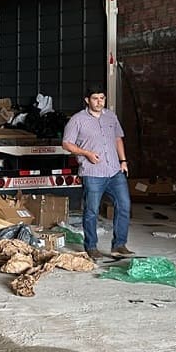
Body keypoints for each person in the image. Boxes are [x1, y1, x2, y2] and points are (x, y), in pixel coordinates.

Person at [61, 85, 132, 259]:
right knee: (92, 210)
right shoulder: (77, 120)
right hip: (93, 172)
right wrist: (86, 154)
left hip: (115, 170)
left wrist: (123, 161)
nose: (99, 102)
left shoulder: (111, 116)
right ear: (87, 100)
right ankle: (91, 247)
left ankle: (119, 244)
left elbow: (118, 138)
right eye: (95, 98)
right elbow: (66, 143)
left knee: (124, 205)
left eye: (102, 98)